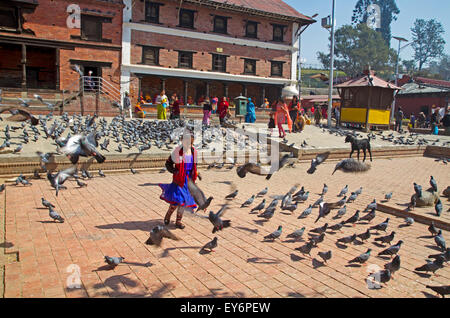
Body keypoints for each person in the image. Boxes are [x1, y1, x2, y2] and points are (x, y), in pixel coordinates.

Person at [160, 129, 199, 229]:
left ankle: (178, 221)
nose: (187, 141)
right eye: (185, 139)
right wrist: (174, 171)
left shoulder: (194, 151)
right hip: (179, 180)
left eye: (189, 139)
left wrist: (196, 174)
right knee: (176, 201)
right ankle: (168, 215)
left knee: (183, 202)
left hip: (189, 181)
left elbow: (195, 165)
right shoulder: (177, 151)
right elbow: (168, 163)